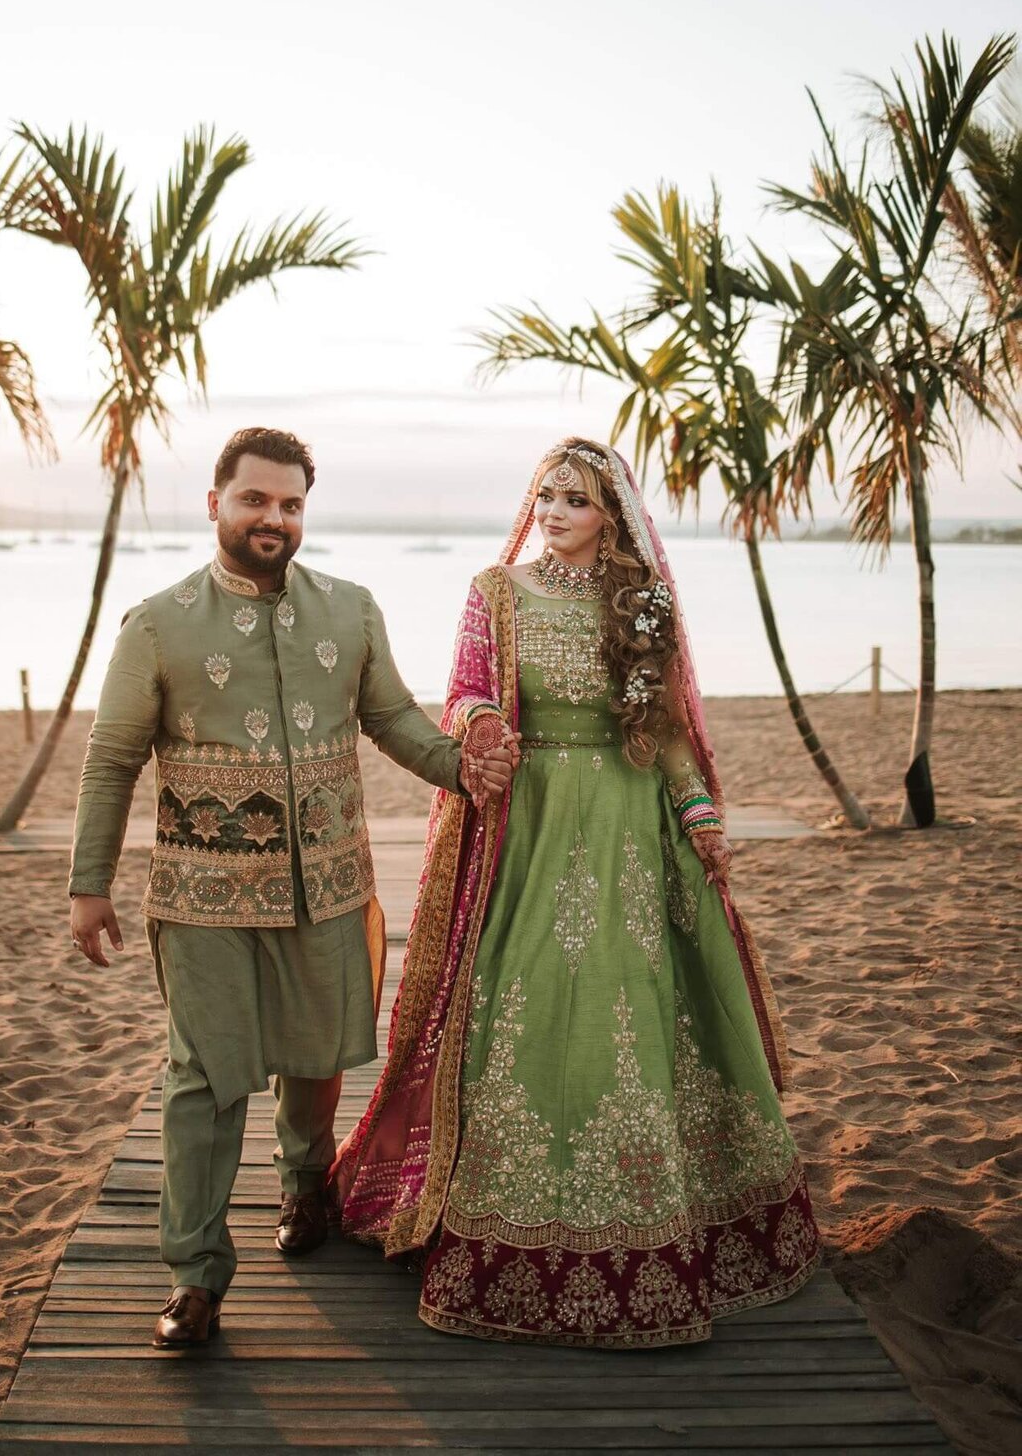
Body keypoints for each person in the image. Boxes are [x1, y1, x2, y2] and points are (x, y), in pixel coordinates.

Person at [332, 436, 820, 1347]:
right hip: (532, 821)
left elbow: (667, 726)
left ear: (612, 516)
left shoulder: (643, 601)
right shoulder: (496, 593)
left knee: (631, 999)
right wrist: (481, 726)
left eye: (578, 500)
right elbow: (462, 693)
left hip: (629, 824)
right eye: (546, 495)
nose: (555, 513)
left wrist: (699, 810)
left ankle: (658, 1222)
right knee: (516, 993)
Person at [67, 426, 516, 1349]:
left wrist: (461, 767)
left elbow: (391, 719)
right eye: (255, 501)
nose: (273, 518)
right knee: (205, 1079)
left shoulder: (349, 611)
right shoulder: (157, 624)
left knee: (318, 1060)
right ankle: (195, 1274)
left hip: (331, 887)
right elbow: (111, 759)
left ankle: (306, 1186)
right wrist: (89, 884)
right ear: (216, 505)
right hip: (203, 902)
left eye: (291, 505)